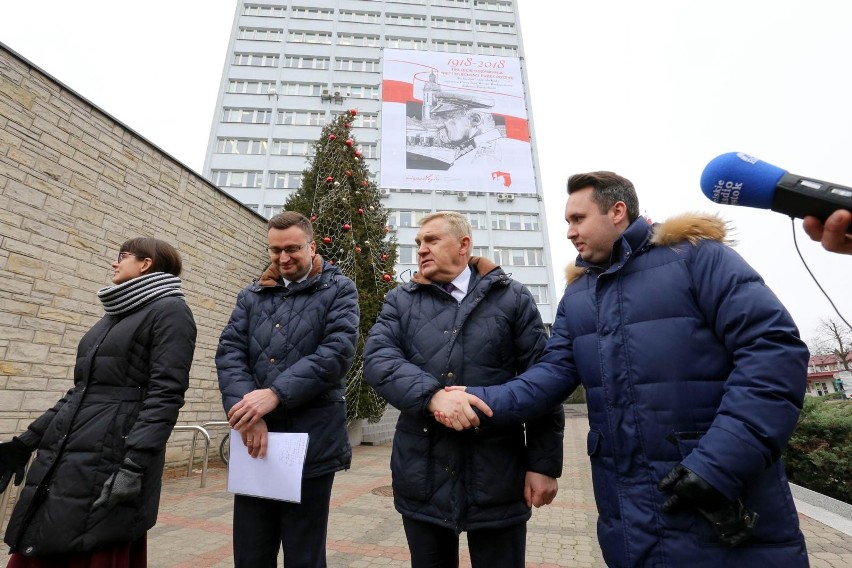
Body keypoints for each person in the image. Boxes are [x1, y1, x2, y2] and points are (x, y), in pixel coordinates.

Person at [437, 172, 810, 567]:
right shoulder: (578, 295)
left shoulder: (698, 257)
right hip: (629, 519)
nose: (568, 232)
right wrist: (477, 397)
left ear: (617, 212)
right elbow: (548, 378)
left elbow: (773, 352)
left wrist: (720, 464)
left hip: (719, 496)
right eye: (567, 221)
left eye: (578, 219)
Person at [363, 211, 564, 568]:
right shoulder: (401, 300)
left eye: (432, 240)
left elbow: (542, 382)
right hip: (421, 476)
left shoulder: (512, 298)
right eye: (418, 243)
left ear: (464, 245)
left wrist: (543, 464)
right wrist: (434, 396)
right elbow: (378, 359)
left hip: (498, 476)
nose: (421, 249)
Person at [0, 238, 197, 567]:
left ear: (146, 263)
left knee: (90, 545)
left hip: (112, 460)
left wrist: (134, 466)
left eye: (122, 256)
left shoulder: (171, 311)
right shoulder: (113, 317)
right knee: (43, 538)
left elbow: (166, 394)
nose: (114, 263)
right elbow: (81, 391)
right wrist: (25, 442)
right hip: (69, 454)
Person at [216, 211, 358, 568]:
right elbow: (230, 353)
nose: (283, 258)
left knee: (304, 554)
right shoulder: (252, 295)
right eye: (275, 250)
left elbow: (337, 352)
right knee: (250, 552)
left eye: (292, 249)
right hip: (254, 442)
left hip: (310, 443)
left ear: (312, 246)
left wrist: (275, 393)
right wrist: (247, 414)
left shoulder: (339, 289)